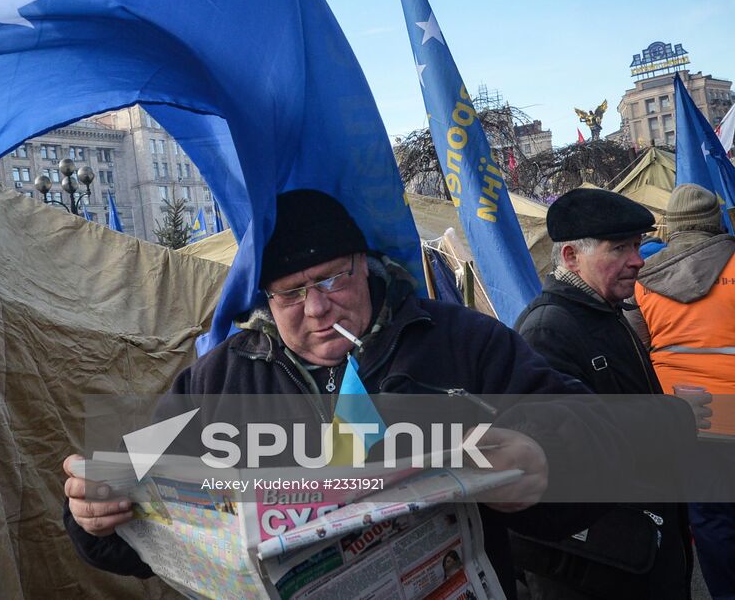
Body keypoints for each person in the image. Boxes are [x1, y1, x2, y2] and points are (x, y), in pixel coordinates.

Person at [63, 189, 640, 600]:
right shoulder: (216, 382)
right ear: (264, 299)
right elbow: (137, 532)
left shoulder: (462, 341)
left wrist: (539, 469)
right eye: (291, 294)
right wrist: (91, 519)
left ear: (366, 267)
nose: (317, 309)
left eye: (333, 278)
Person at [513, 187, 692, 599]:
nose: (638, 260)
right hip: (605, 568)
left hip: (640, 544)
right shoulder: (547, 331)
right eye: (620, 248)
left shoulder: (603, 311)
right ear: (572, 257)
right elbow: (556, 458)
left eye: (636, 245)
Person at [633, 184, 735, 600]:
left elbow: (638, 347)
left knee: (711, 517)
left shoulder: (642, 280)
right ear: (715, 221)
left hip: (689, 413)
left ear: (670, 226)